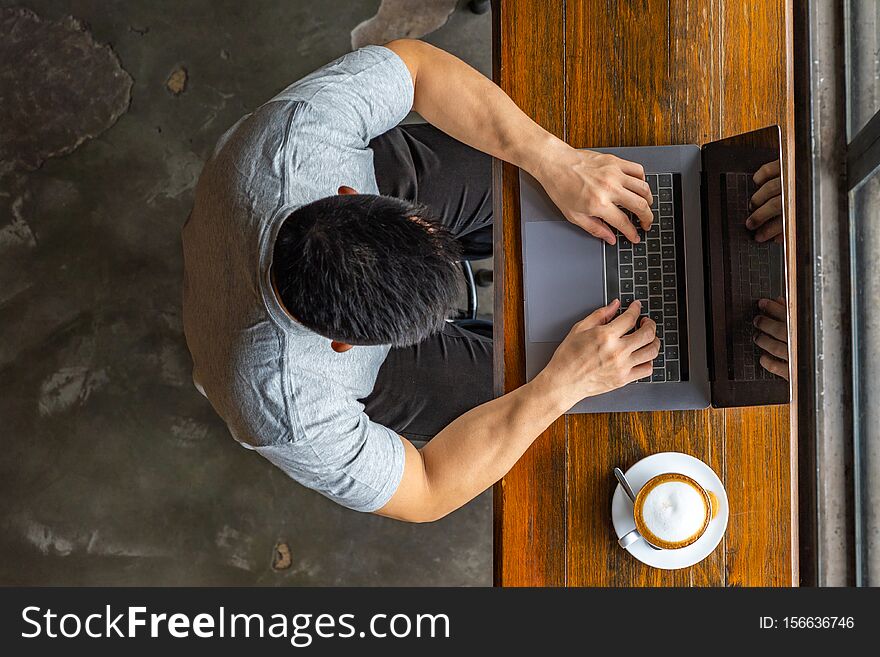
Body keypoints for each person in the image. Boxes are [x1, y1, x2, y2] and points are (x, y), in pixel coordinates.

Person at [182, 40, 658, 522]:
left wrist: (554, 159)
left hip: (268, 219)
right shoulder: (291, 409)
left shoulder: (303, 135)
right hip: (266, 345)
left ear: (351, 193)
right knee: (522, 386)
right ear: (345, 345)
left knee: (522, 173)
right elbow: (427, 490)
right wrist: (558, 387)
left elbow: (417, 68)